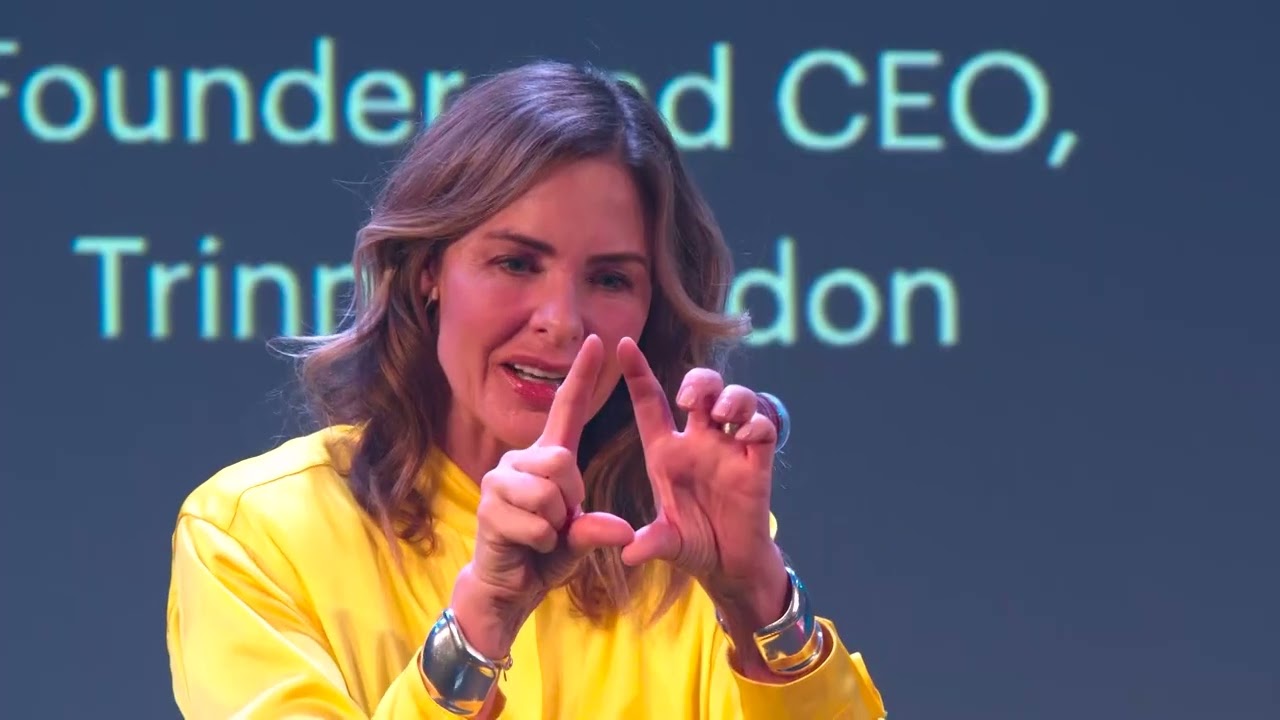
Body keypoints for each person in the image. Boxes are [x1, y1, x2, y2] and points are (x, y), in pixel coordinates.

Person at [164, 59, 887, 719]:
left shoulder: (686, 541)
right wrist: (478, 627)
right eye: (516, 263)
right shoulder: (252, 533)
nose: (561, 322)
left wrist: (760, 604)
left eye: (610, 279)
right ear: (427, 270)